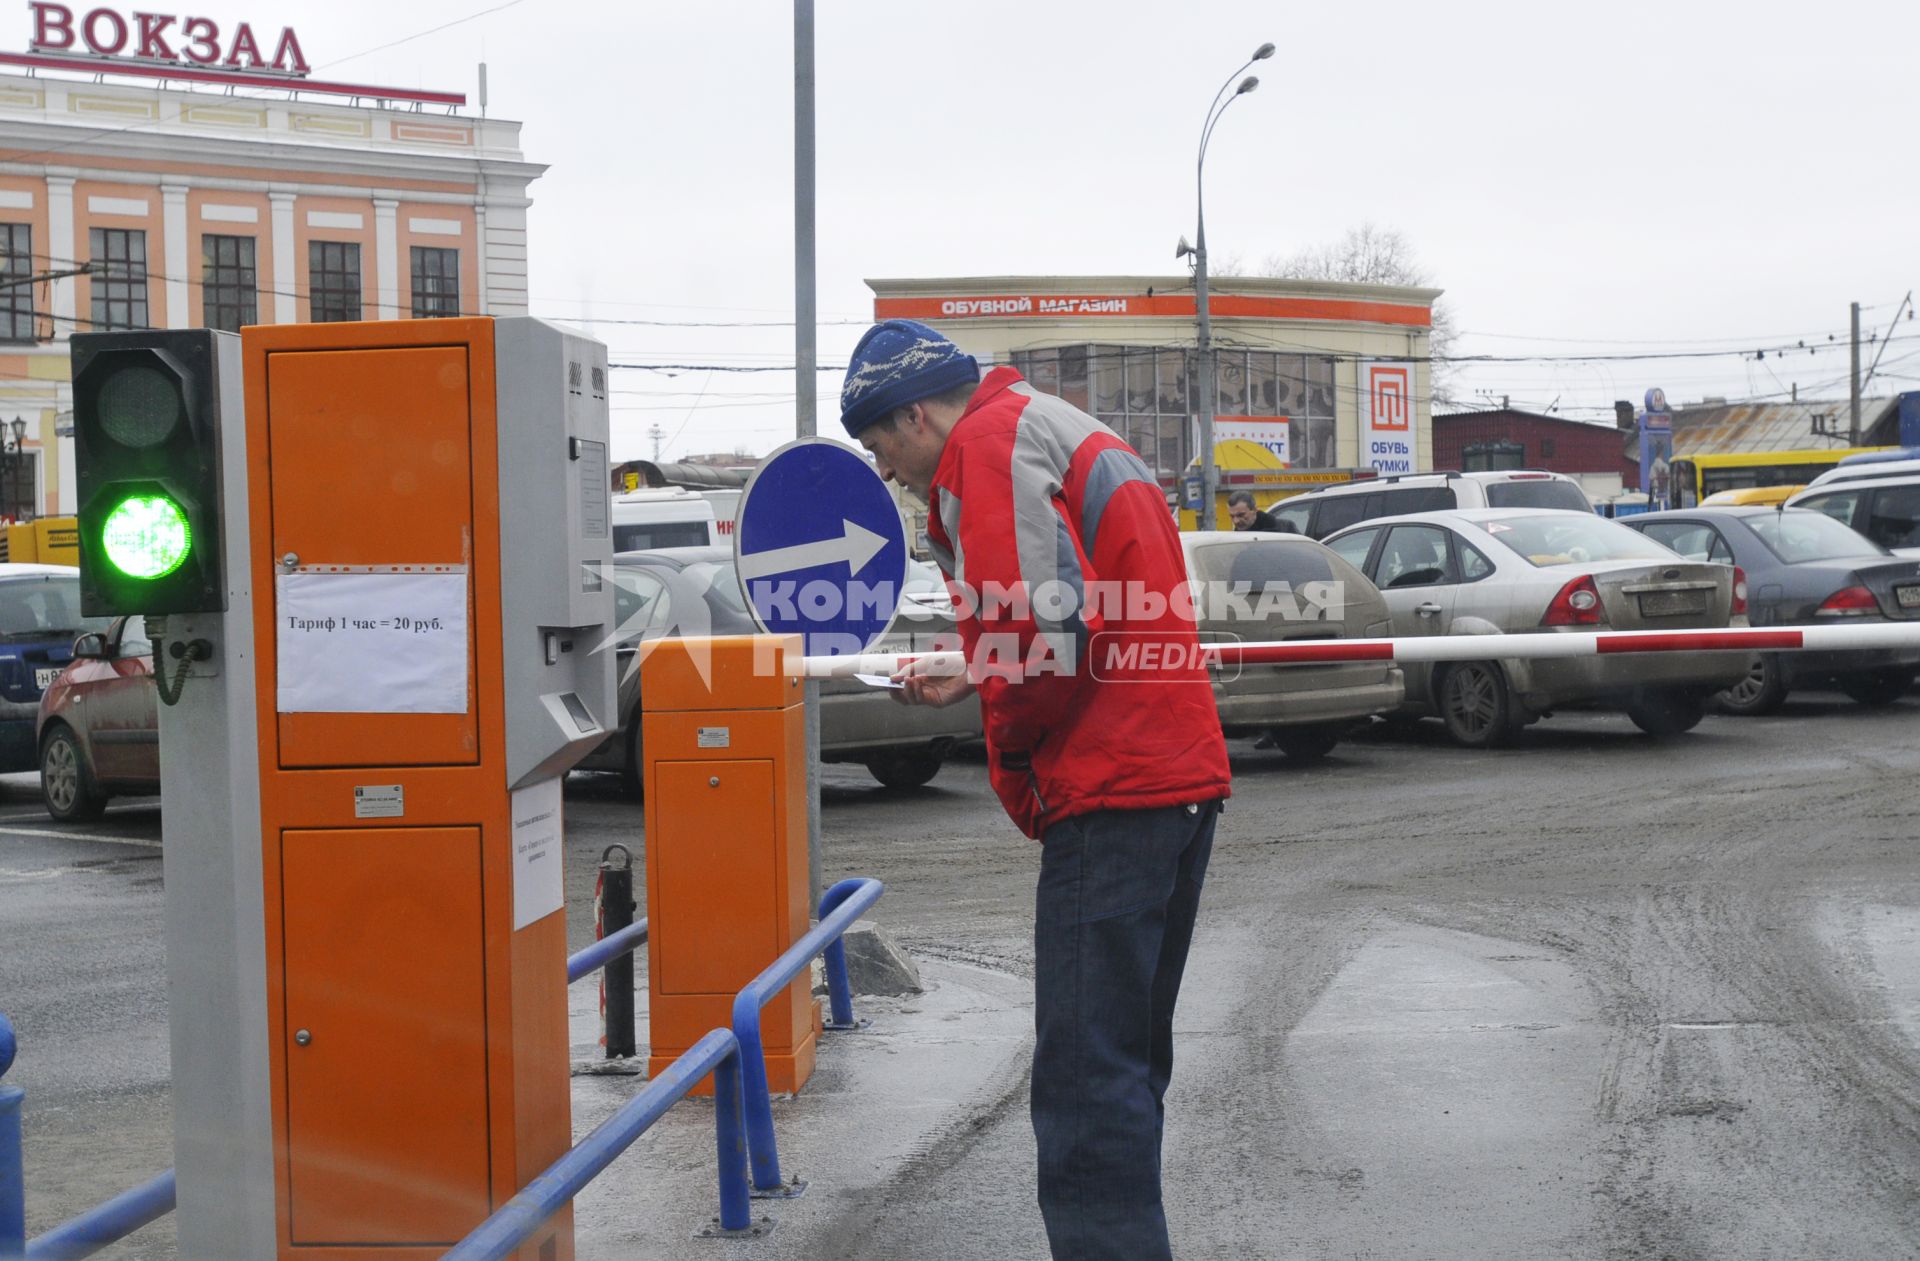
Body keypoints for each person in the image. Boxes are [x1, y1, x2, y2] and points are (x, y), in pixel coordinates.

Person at [840, 319, 1231, 1261]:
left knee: (1089, 1088)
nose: (888, 473)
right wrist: (979, 667)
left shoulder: (987, 445)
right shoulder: (1058, 426)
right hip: (1175, 778)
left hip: (1112, 789)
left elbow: (1048, 653)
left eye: (881, 444)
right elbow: (1090, 604)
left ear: (919, 414)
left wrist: (1012, 759)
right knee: (1128, 1069)